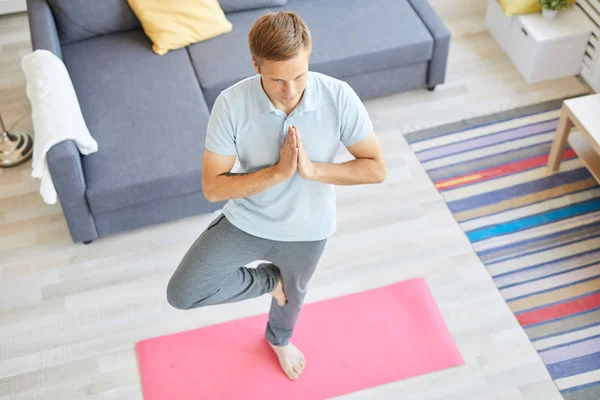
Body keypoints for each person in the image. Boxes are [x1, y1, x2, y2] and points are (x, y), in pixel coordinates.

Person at [166, 10, 387, 381]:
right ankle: (272, 282)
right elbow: (212, 187)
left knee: (294, 301)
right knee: (183, 292)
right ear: (255, 65)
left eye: (299, 75)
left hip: (309, 231)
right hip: (247, 222)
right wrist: (277, 173)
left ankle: (279, 340)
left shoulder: (338, 96)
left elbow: (376, 167)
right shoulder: (231, 105)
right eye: (276, 79)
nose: (290, 90)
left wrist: (314, 170)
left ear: (309, 54)